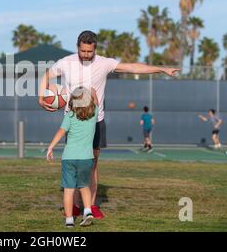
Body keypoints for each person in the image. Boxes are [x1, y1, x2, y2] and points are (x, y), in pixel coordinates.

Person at [38, 30, 179, 219]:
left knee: (92, 165)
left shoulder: (105, 63)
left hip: (96, 122)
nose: (86, 55)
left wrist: (161, 69)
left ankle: (92, 206)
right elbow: (47, 75)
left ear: (95, 49)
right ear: (77, 48)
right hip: (73, 122)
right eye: (83, 51)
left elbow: (132, 68)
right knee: (74, 163)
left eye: (90, 52)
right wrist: (41, 97)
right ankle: (76, 206)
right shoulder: (65, 63)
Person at [46, 87, 99, 227]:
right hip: (86, 158)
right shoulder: (94, 114)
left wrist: (51, 147)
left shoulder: (69, 116)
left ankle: (69, 220)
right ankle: (87, 211)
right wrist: (91, 90)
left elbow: (61, 132)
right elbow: (96, 100)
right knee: (84, 186)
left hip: (69, 158)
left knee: (69, 190)